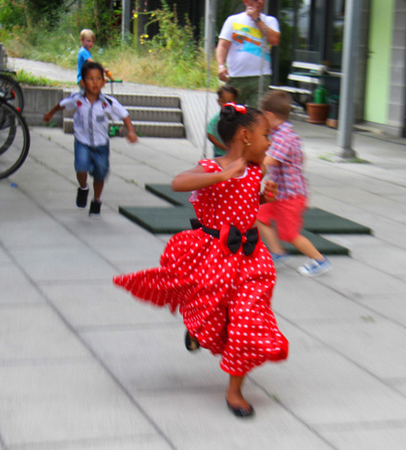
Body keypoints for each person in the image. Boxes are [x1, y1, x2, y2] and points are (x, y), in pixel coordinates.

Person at [113, 103, 287, 418]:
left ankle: (234, 391)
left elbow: (244, 201)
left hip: (250, 257)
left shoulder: (256, 170)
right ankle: (196, 327)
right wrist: (221, 174)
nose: (269, 142)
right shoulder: (210, 167)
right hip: (214, 254)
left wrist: (263, 197)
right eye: (265, 135)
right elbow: (179, 182)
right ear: (245, 136)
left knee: (247, 320)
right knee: (212, 312)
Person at [43, 61, 138, 216]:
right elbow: (62, 104)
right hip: (82, 142)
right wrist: (51, 113)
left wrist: (131, 132)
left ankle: (96, 199)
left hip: (101, 144)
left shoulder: (108, 102)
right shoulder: (77, 99)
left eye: (98, 79)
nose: (95, 82)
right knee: (81, 167)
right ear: (82, 82)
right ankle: (83, 188)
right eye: (90, 79)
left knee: (100, 174)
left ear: (104, 82)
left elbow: (124, 115)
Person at [256, 90, 332, 276]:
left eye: (264, 115)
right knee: (258, 216)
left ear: (270, 115)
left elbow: (270, 160)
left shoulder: (284, 137)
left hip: (290, 196)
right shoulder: (279, 133)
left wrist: (246, 161)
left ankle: (320, 260)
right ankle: (278, 252)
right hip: (278, 192)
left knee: (289, 234)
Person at [215, 0, 280, 108]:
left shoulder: (270, 21)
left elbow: (274, 40)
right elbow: (222, 46)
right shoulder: (233, 20)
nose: (259, 1)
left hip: (260, 76)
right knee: (232, 112)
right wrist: (221, 66)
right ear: (245, 1)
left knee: (257, 114)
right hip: (236, 76)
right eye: (255, 0)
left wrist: (257, 19)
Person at [207, 85, 239, 157]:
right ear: (218, 102)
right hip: (220, 154)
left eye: (230, 102)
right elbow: (209, 134)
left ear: (235, 102)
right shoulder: (217, 118)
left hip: (235, 153)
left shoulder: (238, 117)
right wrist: (221, 146)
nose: (226, 104)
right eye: (223, 101)